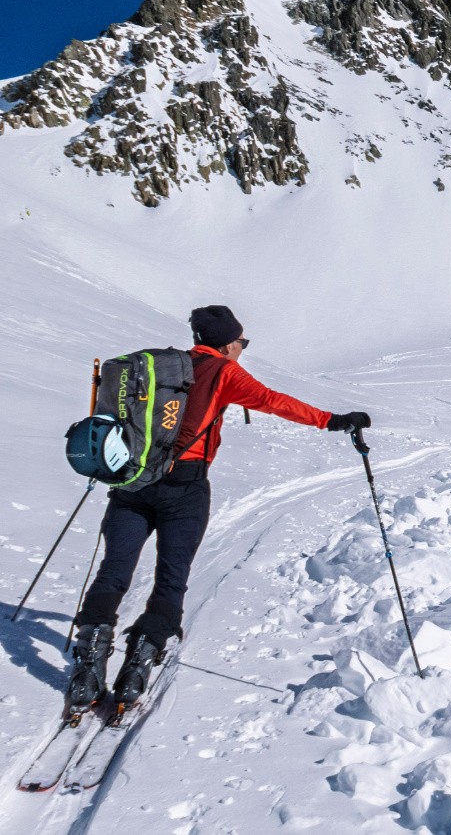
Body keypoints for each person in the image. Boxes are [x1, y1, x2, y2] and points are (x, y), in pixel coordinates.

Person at [65, 305, 371, 714]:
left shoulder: (164, 370)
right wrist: (333, 421)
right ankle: (139, 662)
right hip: (184, 487)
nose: (242, 348)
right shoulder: (223, 372)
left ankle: (88, 666)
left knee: (113, 570)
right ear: (228, 343)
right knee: (171, 578)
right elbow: (273, 401)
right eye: (242, 342)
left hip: (132, 483)